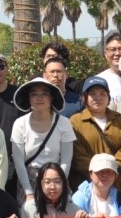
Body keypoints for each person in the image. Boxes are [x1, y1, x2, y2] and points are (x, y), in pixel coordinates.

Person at [9, 77, 75, 205]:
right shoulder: (20, 123)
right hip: (29, 179)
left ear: (51, 98)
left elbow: (66, 160)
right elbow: (19, 162)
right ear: (29, 99)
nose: (39, 98)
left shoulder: (64, 123)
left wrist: (58, 184)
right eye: (34, 94)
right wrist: (28, 192)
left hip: (57, 177)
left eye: (44, 94)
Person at [69, 76, 121, 189]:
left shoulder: (119, 119)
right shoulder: (75, 121)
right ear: (85, 97)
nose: (98, 98)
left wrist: (114, 167)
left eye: (102, 94)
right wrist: (97, 170)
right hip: (88, 183)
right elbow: (77, 154)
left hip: (116, 182)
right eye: (93, 94)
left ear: (109, 97)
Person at [71, 153, 121, 218]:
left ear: (115, 176)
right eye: (100, 171)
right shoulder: (80, 197)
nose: (104, 175)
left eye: (109, 171)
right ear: (90, 174)